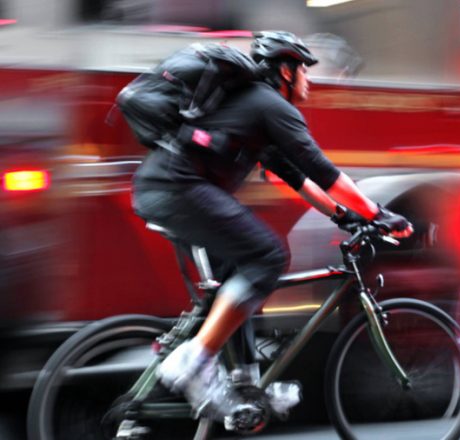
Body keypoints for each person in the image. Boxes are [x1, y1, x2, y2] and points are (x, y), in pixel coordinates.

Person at [131, 30, 412, 425]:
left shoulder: (254, 110)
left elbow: (297, 177)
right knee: (268, 257)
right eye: (304, 70)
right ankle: (193, 361)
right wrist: (377, 213)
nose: (308, 79)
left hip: (165, 190)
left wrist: (343, 215)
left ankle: (244, 387)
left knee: (240, 278)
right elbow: (323, 170)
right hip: (177, 190)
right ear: (285, 70)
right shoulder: (270, 106)